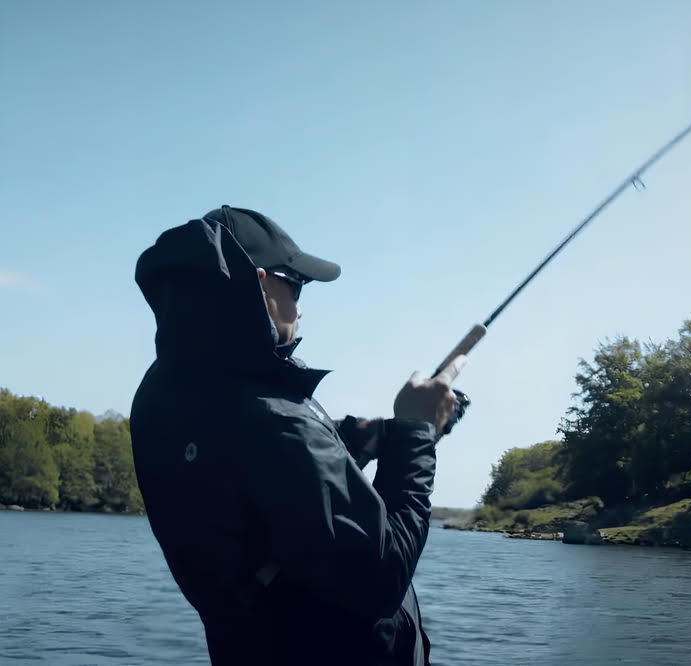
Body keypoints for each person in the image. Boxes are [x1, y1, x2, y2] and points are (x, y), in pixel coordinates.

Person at [129, 205, 463, 665]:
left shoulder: (164, 392)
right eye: (297, 285)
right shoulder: (272, 417)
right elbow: (380, 577)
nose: (301, 307)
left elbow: (263, 486)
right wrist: (415, 435)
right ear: (261, 282)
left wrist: (372, 438)